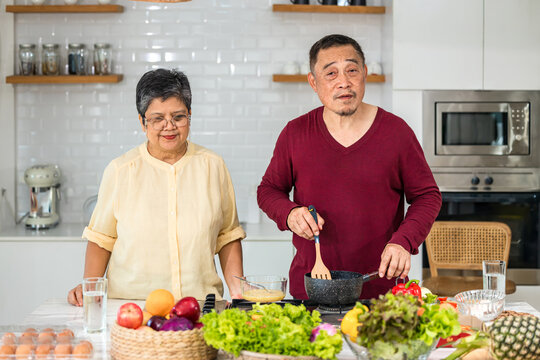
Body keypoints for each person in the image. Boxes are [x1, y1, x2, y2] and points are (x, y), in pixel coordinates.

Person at [257, 34, 441, 300]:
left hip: (384, 294)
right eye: (330, 73)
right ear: (313, 82)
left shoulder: (397, 132)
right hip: (312, 292)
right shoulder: (295, 133)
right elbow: (269, 190)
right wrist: (290, 214)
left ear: (364, 74)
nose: (344, 82)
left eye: (352, 70)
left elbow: (427, 196)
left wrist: (404, 241)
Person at [68, 69, 245, 305]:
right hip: (130, 306)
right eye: (157, 118)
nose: (169, 126)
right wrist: (90, 289)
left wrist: (239, 293)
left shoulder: (213, 166)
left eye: (178, 117)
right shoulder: (121, 170)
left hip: (200, 304)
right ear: (142, 122)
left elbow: (228, 236)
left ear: (190, 116)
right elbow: (101, 239)